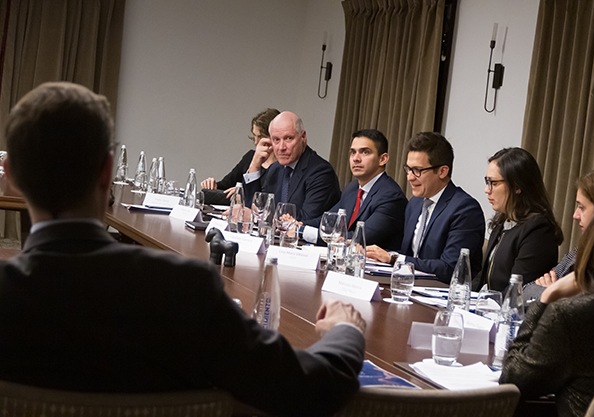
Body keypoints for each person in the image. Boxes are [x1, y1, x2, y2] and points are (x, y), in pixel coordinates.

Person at [0, 82, 366, 417]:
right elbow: (308, 389)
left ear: (10, 176)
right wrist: (346, 331)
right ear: (108, 170)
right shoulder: (185, 289)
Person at [500, 188, 594, 417]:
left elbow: (512, 380)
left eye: (582, 207)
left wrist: (548, 296)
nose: (575, 215)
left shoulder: (572, 316)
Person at [366, 132, 485, 283]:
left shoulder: (465, 209)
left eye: (418, 170)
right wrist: (377, 255)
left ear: (442, 171)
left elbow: (450, 269)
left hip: (442, 291)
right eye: (408, 169)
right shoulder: (414, 204)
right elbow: (410, 255)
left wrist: (394, 259)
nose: (410, 177)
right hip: (408, 285)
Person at [523, 168, 594, 301]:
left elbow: (586, 309)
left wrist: (555, 293)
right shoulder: (577, 253)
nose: (575, 215)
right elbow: (525, 291)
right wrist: (552, 291)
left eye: (581, 207)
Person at [474, 147, 563, 292]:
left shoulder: (538, 231)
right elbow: (482, 279)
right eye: (487, 182)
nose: (487, 190)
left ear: (517, 186)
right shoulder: (502, 222)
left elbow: (516, 292)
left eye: (494, 183)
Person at [300, 129, 407, 248]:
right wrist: (298, 225)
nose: (356, 158)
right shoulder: (353, 188)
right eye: (353, 152)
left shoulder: (391, 196)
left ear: (383, 159)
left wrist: (303, 232)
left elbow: (359, 238)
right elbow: (328, 220)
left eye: (365, 152)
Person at [243, 111, 341, 221]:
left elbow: (305, 220)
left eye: (288, 138)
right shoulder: (275, 169)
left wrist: (260, 216)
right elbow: (256, 207)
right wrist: (254, 167)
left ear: (303, 137)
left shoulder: (321, 172)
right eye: (276, 140)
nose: (281, 147)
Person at [200, 108, 279, 205]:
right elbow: (225, 185)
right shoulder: (249, 157)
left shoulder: (281, 167)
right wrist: (212, 184)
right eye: (254, 137)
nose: (256, 142)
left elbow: (269, 199)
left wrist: (243, 191)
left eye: (260, 137)